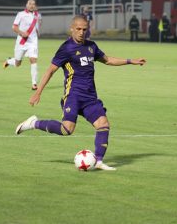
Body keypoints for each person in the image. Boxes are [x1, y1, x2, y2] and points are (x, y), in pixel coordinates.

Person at [15, 16, 146, 171]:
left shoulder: (91, 46)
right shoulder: (66, 48)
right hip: (73, 96)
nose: (81, 32)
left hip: (90, 97)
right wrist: (38, 92)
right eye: (78, 29)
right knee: (67, 130)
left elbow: (108, 60)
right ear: (72, 28)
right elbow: (50, 70)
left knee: (103, 125)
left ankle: (98, 161)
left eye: (85, 29)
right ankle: (34, 123)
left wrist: (130, 61)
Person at [3, 0, 42, 90]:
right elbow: (14, 27)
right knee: (17, 63)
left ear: (35, 5)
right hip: (21, 42)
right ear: (26, 4)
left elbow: (38, 26)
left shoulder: (38, 15)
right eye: (30, 4)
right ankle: (9, 61)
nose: (32, 5)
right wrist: (22, 33)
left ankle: (34, 83)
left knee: (33, 60)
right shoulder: (20, 14)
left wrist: (37, 33)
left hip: (32, 42)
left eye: (33, 4)